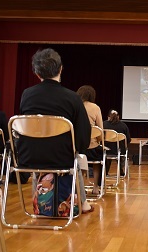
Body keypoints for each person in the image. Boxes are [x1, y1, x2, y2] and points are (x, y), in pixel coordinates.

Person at [19, 48, 94, 214]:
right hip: (62, 158)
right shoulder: (72, 98)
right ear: (61, 69)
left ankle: (38, 204)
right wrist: (78, 150)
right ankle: (83, 203)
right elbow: (83, 136)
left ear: (37, 73)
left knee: (42, 153)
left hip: (28, 157)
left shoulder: (27, 95)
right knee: (75, 156)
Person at [77, 85, 104, 194]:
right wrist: (99, 141)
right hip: (92, 147)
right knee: (98, 161)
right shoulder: (95, 107)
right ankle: (96, 187)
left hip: (77, 148)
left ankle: (81, 186)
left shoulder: (75, 105)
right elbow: (100, 130)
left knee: (80, 159)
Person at [103, 109, 131, 177]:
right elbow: (128, 139)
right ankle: (121, 171)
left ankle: (105, 172)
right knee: (121, 152)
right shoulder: (123, 125)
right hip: (120, 151)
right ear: (118, 116)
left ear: (108, 117)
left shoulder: (104, 124)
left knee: (106, 150)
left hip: (106, 150)